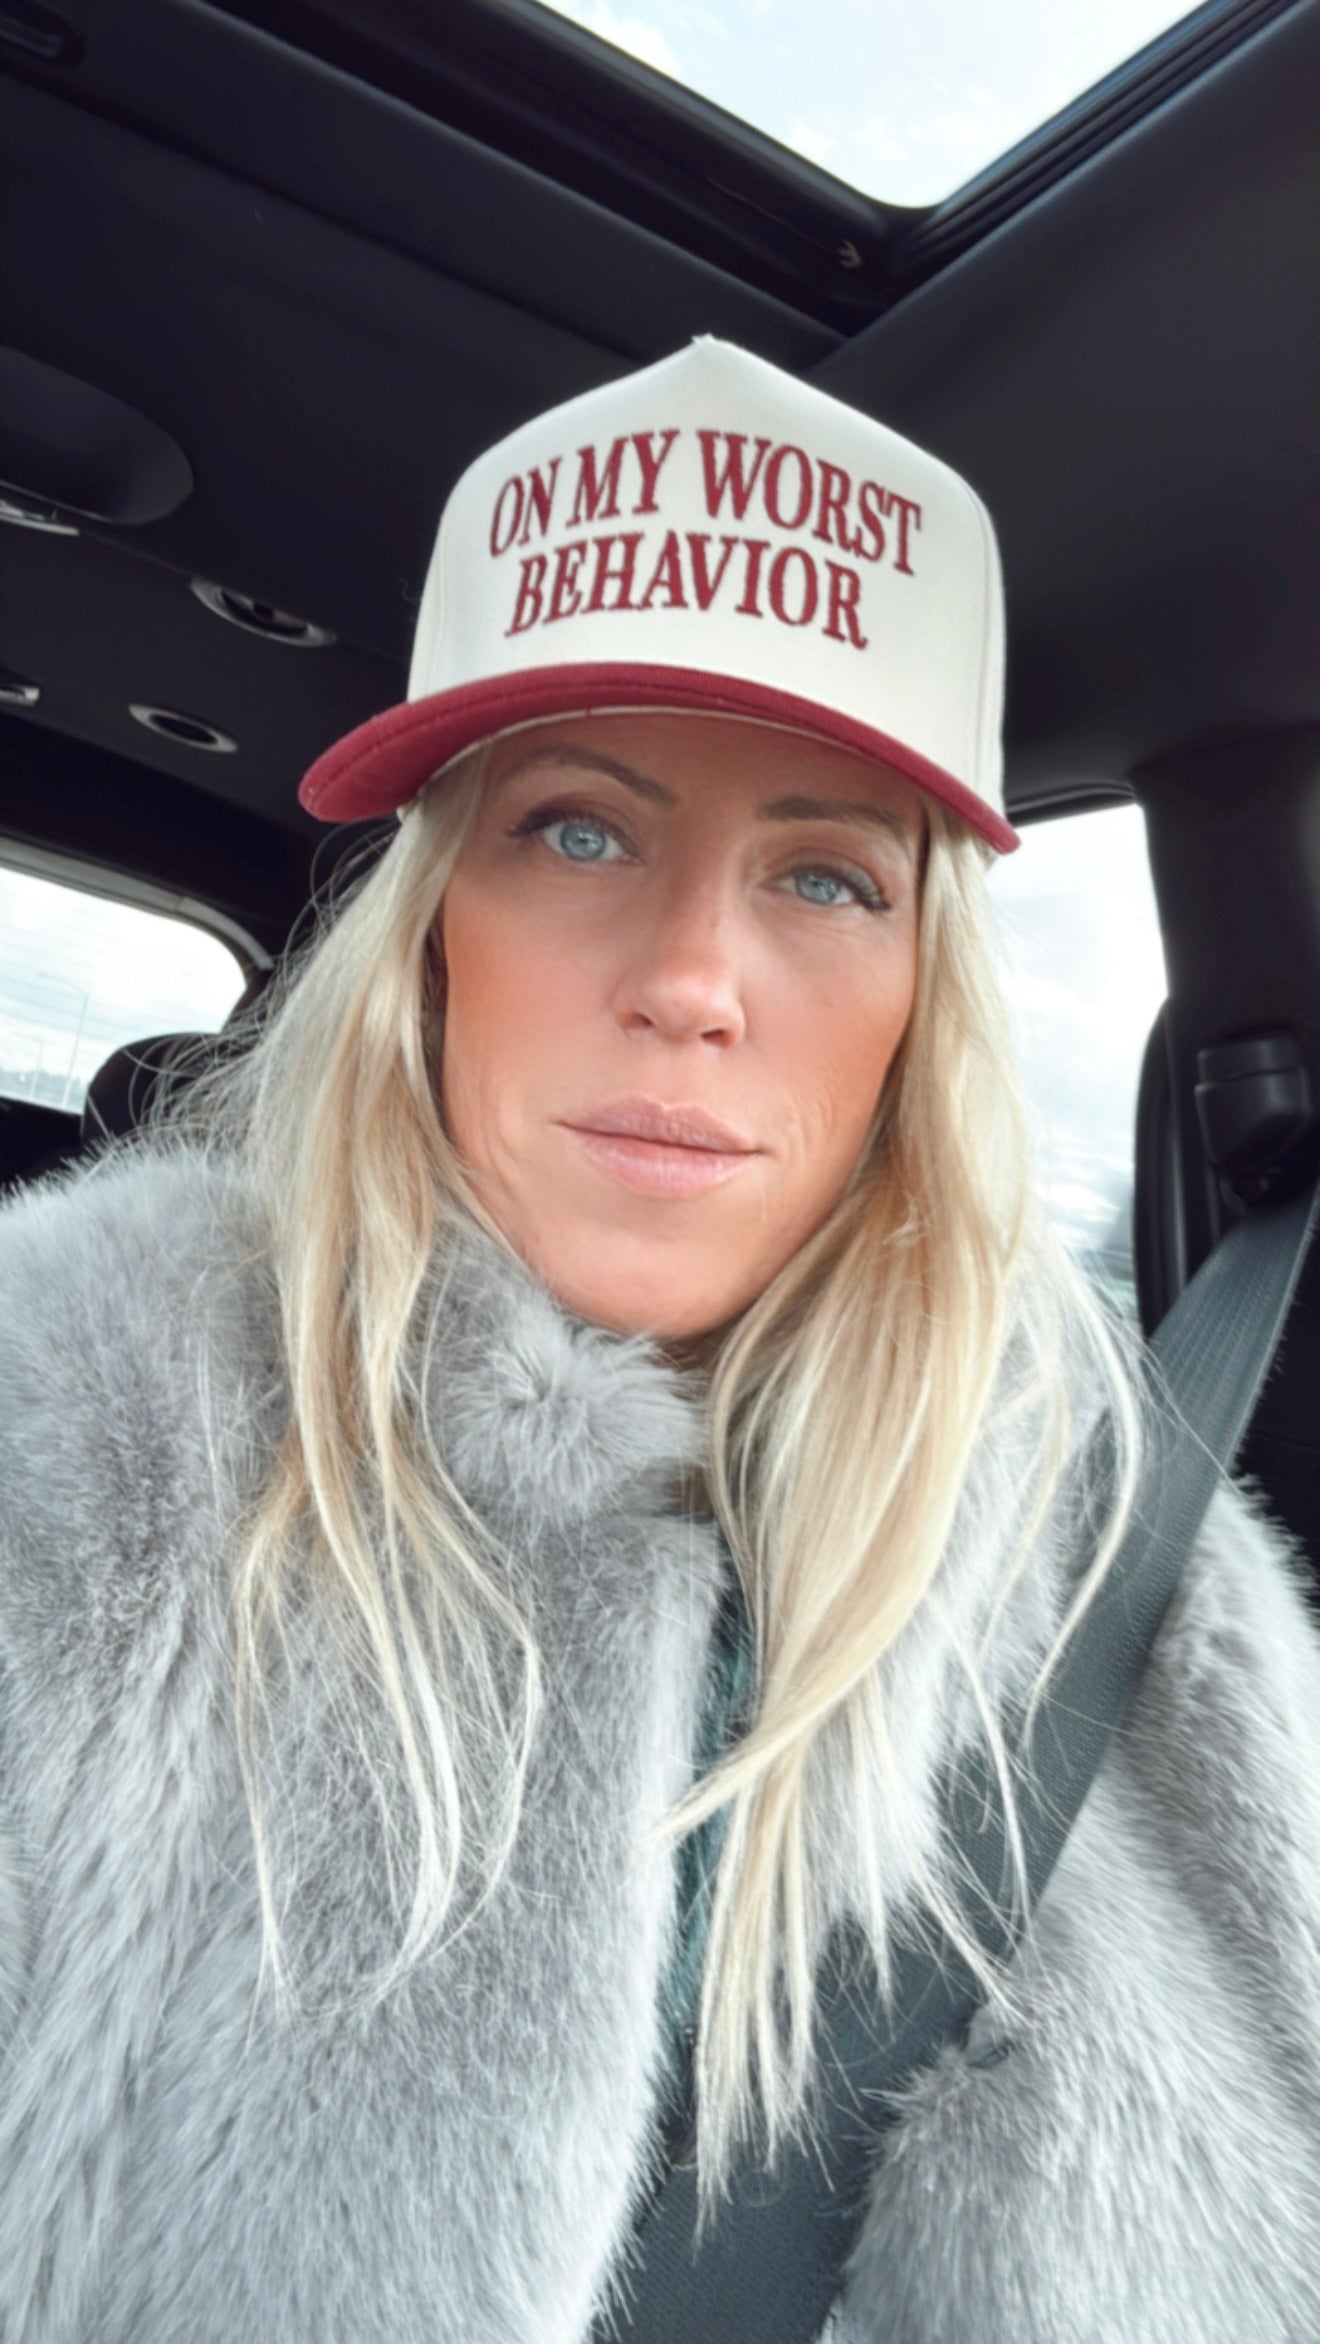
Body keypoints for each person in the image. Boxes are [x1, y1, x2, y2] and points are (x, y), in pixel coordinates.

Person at [1, 337, 1319, 2344]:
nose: (696, 976)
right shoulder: (88, 1421)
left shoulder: (1133, 1595)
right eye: (579, 832)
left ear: (919, 1000)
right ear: (432, 928)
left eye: (826, 874)